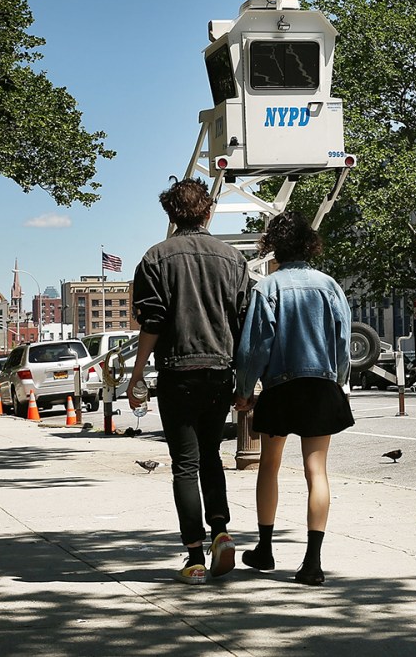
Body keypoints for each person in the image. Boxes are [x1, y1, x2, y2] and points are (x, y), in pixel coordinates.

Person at [128, 178, 252, 585]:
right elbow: (246, 321)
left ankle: (195, 556)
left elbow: (153, 320)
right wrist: (247, 379)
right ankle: (221, 532)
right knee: (212, 455)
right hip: (220, 372)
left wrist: (137, 375)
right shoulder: (233, 259)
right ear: (208, 212)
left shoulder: (154, 259)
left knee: (185, 464)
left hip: (177, 373)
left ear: (170, 214)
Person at [233, 210, 353, 586]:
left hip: (280, 388)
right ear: (309, 244)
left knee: (269, 465)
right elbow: (344, 341)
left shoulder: (267, 289)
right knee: (316, 471)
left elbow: (255, 346)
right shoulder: (329, 285)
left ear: (273, 247)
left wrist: (243, 390)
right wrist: (339, 380)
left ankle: (265, 549)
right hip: (320, 385)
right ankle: (313, 562)